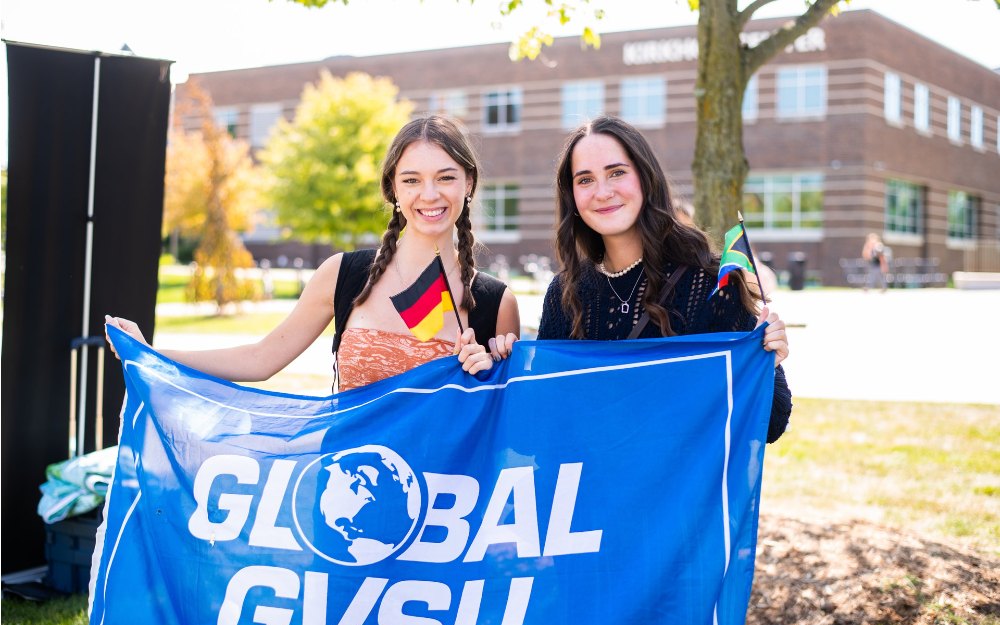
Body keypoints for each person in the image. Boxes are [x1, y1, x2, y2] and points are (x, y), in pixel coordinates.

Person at [106, 115, 521, 391]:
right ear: (393, 190)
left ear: (468, 184)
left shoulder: (496, 303)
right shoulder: (343, 274)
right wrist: (151, 354)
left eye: (445, 177)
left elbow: (504, 431)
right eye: (411, 180)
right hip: (345, 497)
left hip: (448, 510)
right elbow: (259, 359)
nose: (428, 195)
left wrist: (488, 378)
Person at [528, 116, 792, 442]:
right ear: (573, 198)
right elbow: (542, 417)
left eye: (617, 172)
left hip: (678, 493)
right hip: (591, 490)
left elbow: (770, 425)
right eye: (585, 180)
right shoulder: (564, 294)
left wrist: (768, 363)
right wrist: (501, 364)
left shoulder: (710, 285)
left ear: (645, 178)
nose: (602, 191)